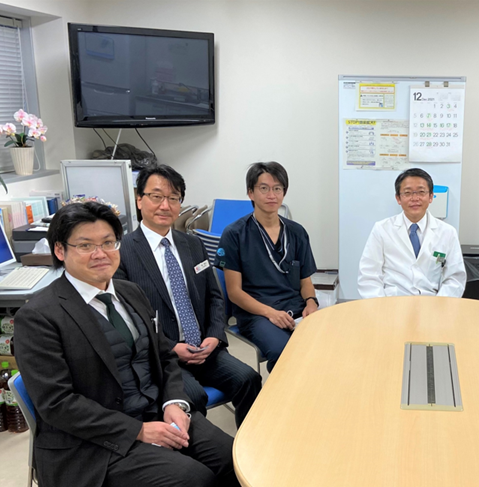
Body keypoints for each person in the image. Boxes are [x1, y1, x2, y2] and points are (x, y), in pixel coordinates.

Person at [13, 202, 238, 487]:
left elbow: (164, 356)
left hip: (158, 413)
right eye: (85, 245)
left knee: (234, 459)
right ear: (60, 250)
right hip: (94, 444)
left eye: (108, 242)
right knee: (195, 479)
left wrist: (173, 403)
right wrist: (138, 431)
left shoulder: (130, 293)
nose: (100, 254)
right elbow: (57, 404)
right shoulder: (38, 317)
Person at [115, 164, 261, 428]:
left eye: (173, 198)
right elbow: (129, 319)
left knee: (249, 379)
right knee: (192, 396)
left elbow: (215, 298)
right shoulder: (123, 253)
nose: (165, 205)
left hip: (205, 348)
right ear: (139, 199)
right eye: (156, 196)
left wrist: (214, 336)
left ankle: (249, 451)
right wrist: (170, 347)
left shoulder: (192, 244)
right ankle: (201, 462)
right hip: (163, 356)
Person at [216, 161, 318, 372]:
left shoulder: (297, 232)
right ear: (251, 193)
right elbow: (234, 292)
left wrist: (311, 302)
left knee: (326, 344)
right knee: (285, 352)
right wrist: (271, 313)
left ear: (284, 193)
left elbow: (305, 281)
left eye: (277, 188)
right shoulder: (234, 234)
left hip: (295, 309)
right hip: (257, 313)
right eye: (264, 188)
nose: (271, 195)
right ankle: (284, 402)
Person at [357, 168, 466, 298]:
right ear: (398, 198)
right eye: (407, 193)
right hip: (392, 304)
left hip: (431, 304)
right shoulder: (381, 229)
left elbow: (455, 279)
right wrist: (382, 309)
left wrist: (439, 307)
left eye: (421, 192)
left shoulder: (448, 233)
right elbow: (369, 276)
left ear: (431, 196)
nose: (415, 198)